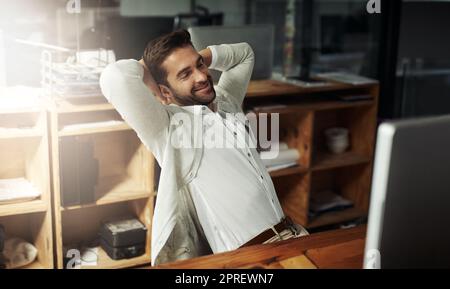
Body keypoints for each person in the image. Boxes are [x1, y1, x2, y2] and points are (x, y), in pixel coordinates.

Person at [100, 29, 308, 266]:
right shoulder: (168, 129)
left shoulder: (226, 101)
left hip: (294, 237)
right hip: (251, 260)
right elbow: (114, 78)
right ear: (165, 91)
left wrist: (194, 57)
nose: (201, 76)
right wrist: (150, 68)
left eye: (200, 65)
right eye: (185, 74)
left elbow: (244, 54)